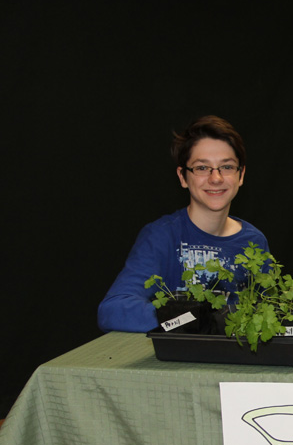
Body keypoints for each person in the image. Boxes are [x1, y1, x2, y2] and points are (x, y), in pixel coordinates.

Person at [97, 115, 267, 332]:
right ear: (182, 177)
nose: (216, 178)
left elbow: (268, 313)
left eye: (226, 167)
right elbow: (112, 309)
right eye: (202, 168)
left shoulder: (254, 242)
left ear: (241, 175)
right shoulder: (161, 237)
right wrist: (190, 321)